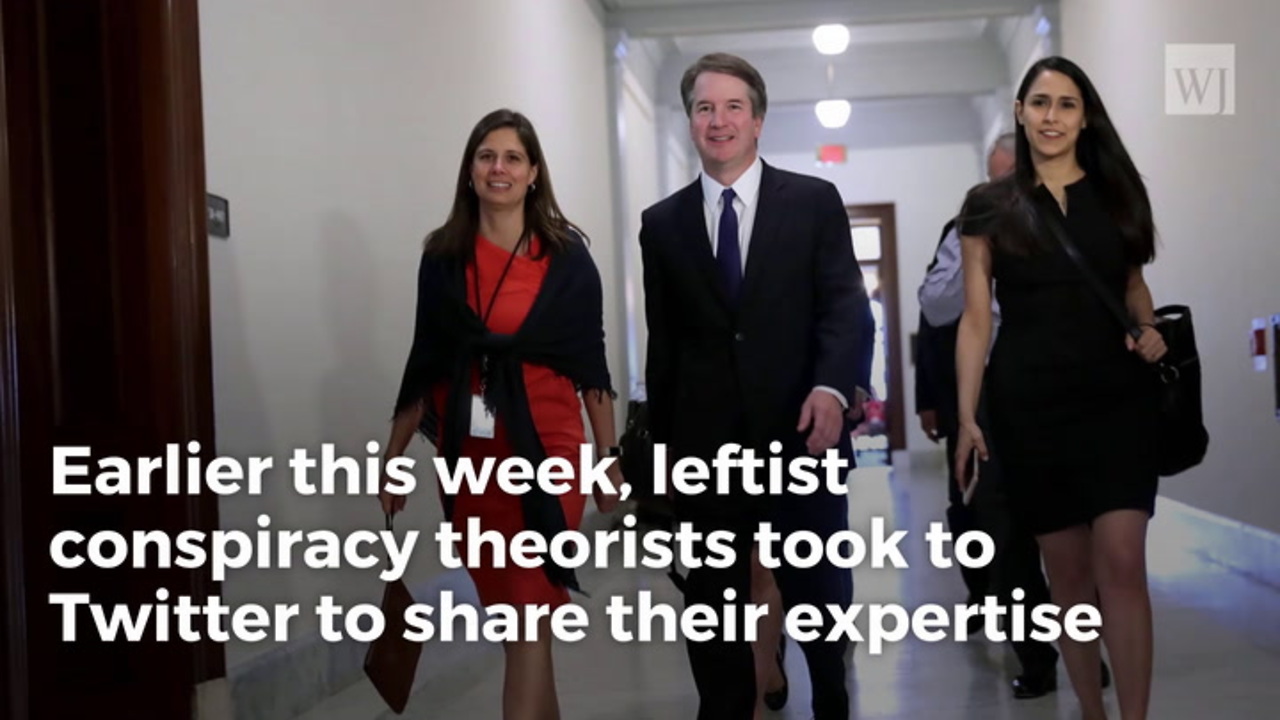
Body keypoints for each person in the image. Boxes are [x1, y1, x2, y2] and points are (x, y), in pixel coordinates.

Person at [639, 52, 874, 720]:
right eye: (704, 108)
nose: (719, 120)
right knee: (711, 608)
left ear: (759, 119)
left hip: (802, 438)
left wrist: (832, 389)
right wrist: (663, 456)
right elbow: (667, 344)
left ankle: (831, 697)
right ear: (689, 122)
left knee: (820, 597)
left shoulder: (812, 201)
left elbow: (843, 306)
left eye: (733, 106)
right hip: (707, 451)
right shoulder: (663, 225)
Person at [379, 108, 623, 720]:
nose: (499, 168)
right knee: (520, 620)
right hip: (473, 460)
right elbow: (425, 359)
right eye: (487, 156)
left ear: (534, 173)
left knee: (526, 615)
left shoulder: (567, 258)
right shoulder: (442, 257)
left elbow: (591, 369)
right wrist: (392, 456)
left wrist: (608, 463)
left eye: (513, 157)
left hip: (550, 454)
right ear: (469, 171)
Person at [954, 57, 1167, 720]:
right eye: (1040, 103)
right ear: (1020, 112)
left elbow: (1132, 289)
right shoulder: (988, 206)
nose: (1052, 116)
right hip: (1030, 406)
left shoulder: (1117, 195)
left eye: (1067, 104)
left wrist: (1150, 329)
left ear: (1085, 116)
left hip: (1118, 401)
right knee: (1068, 580)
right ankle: (1092, 712)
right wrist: (967, 415)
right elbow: (976, 316)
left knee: (1122, 562)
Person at [919, 133, 1106, 699]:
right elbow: (935, 309)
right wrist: (969, 238)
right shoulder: (964, 232)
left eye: (1011, 179)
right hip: (991, 402)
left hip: (1060, 396)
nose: (1005, 191)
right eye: (994, 180)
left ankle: (1084, 650)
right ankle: (1038, 658)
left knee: (1074, 535)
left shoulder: (1069, 220)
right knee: (1004, 534)